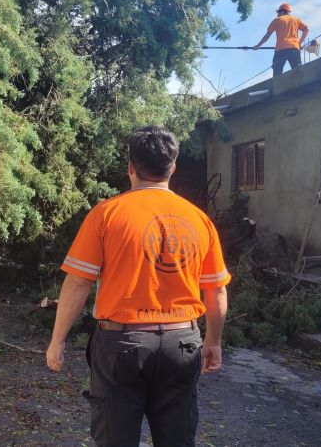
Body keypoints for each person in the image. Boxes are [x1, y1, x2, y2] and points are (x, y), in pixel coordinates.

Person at [45, 126, 230, 446]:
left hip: (121, 345)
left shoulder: (106, 214)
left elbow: (78, 282)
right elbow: (216, 290)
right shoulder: (200, 220)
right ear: (173, 168)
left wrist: (57, 340)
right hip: (182, 344)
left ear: (130, 166)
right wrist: (213, 340)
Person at [253, 3, 309, 77]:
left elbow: (267, 35)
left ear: (283, 11)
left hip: (280, 50)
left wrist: (258, 46)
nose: (277, 14)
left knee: (277, 74)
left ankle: (277, 87)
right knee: (298, 72)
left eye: (278, 12)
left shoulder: (276, 20)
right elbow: (306, 30)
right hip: (294, 48)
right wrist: (299, 43)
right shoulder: (296, 20)